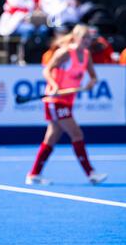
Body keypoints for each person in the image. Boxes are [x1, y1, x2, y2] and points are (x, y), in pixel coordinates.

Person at [26, 24, 107, 185]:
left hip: (68, 101)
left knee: (51, 138)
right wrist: (54, 85)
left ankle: (34, 174)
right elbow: (47, 70)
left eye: (88, 38)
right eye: (83, 38)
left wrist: (91, 83)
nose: (86, 41)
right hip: (55, 100)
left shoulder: (86, 55)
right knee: (77, 134)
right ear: (76, 37)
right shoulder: (65, 53)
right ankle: (91, 173)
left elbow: (93, 77)